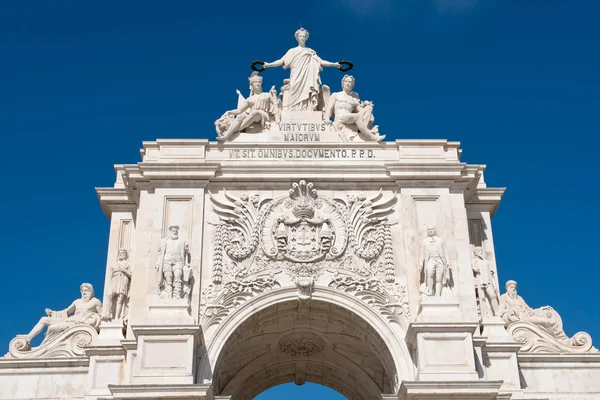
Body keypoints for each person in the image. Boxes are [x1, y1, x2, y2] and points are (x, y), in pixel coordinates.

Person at [263, 28, 340, 111]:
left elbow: (321, 61)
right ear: (297, 38)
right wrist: (268, 65)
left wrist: (334, 64)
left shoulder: (310, 51)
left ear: (306, 38)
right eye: (300, 36)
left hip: (308, 77)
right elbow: (281, 61)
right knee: (293, 92)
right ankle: (293, 110)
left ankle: (308, 110)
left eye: (304, 36)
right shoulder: (292, 51)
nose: (302, 38)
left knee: (308, 91)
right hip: (296, 75)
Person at [21, 283, 102, 344]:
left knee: (51, 329)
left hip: (79, 324)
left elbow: (102, 315)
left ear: (91, 292)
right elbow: (66, 312)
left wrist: (93, 319)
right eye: (82, 291)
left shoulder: (95, 302)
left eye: (86, 291)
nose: (84, 293)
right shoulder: (77, 302)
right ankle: (28, 338)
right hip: (70, 321)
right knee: (44, 319)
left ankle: (45, 346)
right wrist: (52, 312)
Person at [216, 72, 280, 141]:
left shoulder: (267, 95)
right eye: (255, 82)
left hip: (264, 116)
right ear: (252, 85)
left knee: (255, 112)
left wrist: (275, 96)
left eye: (259, 82)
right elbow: (239, 111)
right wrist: (229, 112)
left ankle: (234, 130)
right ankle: (227, 135)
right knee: (241, 116)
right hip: (252, 117)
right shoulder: (249, 99)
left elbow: (276, 103)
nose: (257, 84)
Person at [499, 280, 569, 342]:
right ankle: (560, 340)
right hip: (521, 318)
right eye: (511, 287)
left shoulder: (519, 299)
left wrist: (543, 309)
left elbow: (530, 311)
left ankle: (561, 339)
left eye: (514, 288)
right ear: (507, 288)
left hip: (526, 316)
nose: (513, 289)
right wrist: (511, 309)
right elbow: (500, 311)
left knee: (550, 317)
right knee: (547, 321)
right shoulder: (503, 297)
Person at [325, 75, 385, 142]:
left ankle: (362, 130)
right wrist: (327, 118)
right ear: (342, 83)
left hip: (349, 118)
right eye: (346, 81)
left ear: (352, 85)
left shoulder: (353, 99)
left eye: (350, 82)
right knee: (356, 117)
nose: (348, 83)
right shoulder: (336, 95)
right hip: (340, 117)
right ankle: (372, 137)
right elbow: (329, 108)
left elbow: (361, 111)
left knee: (368, 108)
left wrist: (367, 106)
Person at [156, 225, 189, 299]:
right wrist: (158, 264)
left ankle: (177, 294)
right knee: (169, 279)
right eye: (173, 231)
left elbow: (185, 254)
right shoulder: (165, 241)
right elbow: (160, 254)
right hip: (167, 261)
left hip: (178, 261)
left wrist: (186, 263)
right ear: (170, 231)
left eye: (176, 231)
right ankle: (169, 295)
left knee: (178, 275)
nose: (174, 232)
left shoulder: (181, 242)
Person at [419, 226, 451, 296]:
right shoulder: (424, 242)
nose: (430, 230)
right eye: (429, 229)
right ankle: (430, 291)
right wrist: (420, 264)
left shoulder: (440, 240)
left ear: (434, 230)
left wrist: (448, 262)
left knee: (439, 278)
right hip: (430, 260)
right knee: (429, 274)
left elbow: (446, 252)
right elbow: (422, 254)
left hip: (440, 260)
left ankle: (438, 293)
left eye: (432, 229)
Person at [104, 248, 131, 320]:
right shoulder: (114, 264)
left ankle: (117, 317)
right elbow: (110, 275)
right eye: (119, 253)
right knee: (109, 294)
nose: (121, 254)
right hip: (114, 280)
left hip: (123, 279)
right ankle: (107, 313)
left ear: (125, 255)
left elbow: (131, 275)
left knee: (120, 299)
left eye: (122, 253)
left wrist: (124, 270)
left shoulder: (127, 264)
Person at [472, 246, 499, 316]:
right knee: (482, 298)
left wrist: (495, 286)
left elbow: (492, 275)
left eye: (481, 250)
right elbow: (475, 269)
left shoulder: (487, 262)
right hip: (479, 281)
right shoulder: (474, 261)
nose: (480, 252)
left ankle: (496, 312)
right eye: (478, 250)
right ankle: (484, 314)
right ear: (475, 253)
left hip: (488, 281)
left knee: (493, 296)